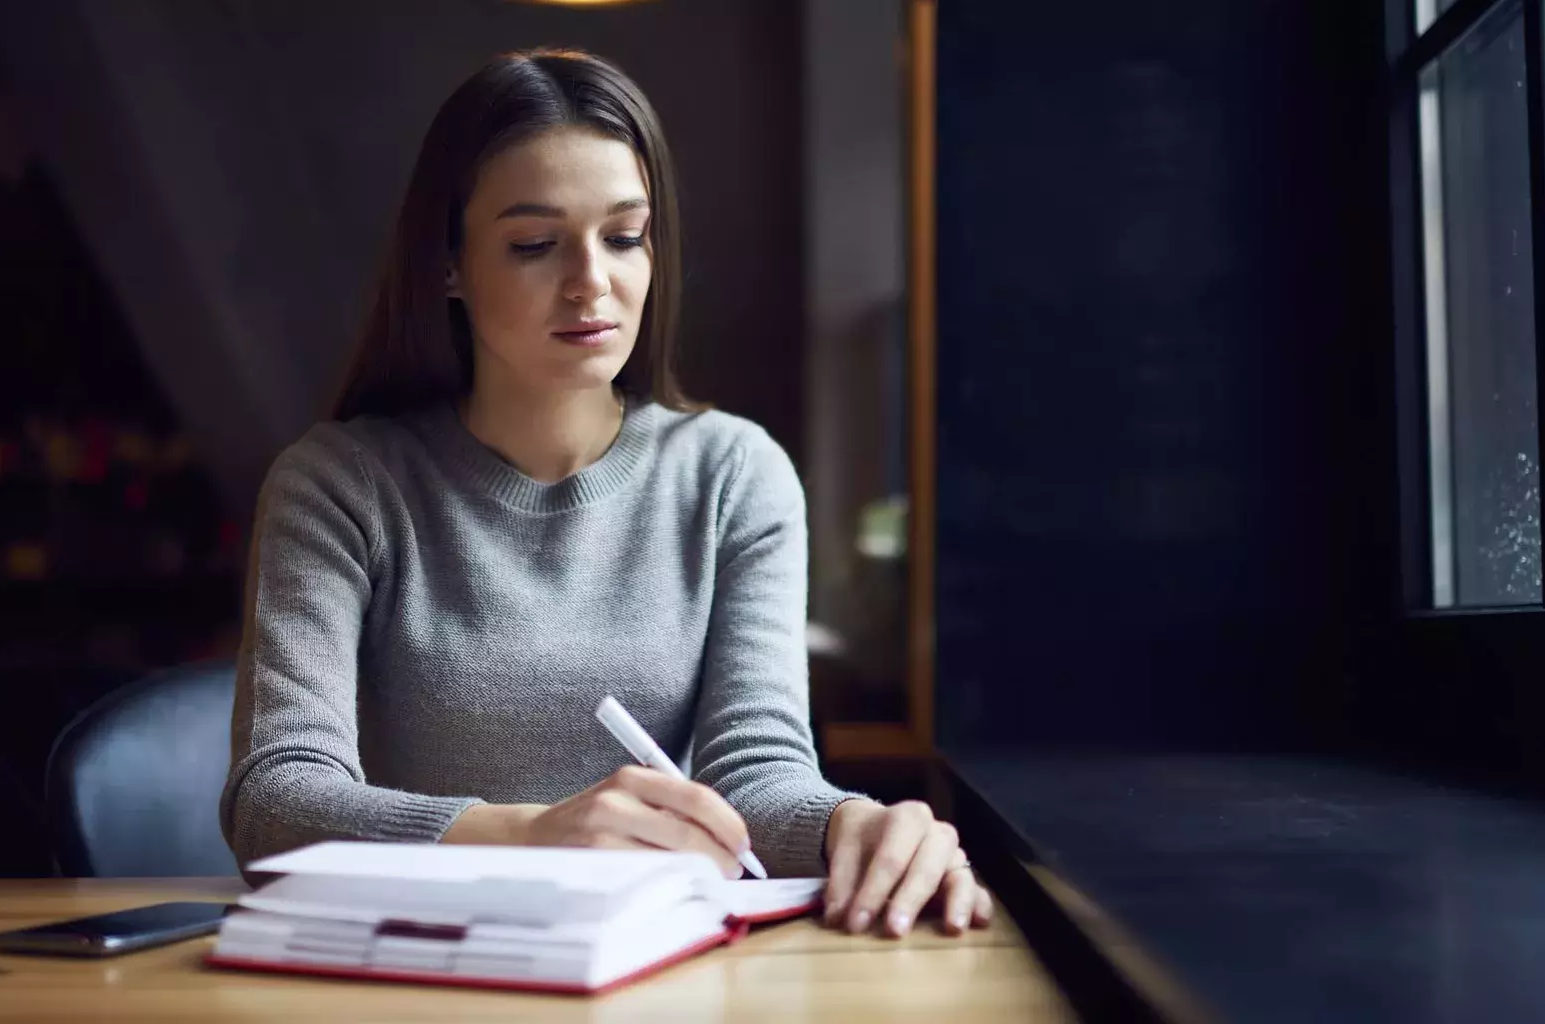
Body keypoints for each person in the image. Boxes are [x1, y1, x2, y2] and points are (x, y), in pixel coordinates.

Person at [220, 48, 989, 939]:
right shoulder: (340, 485)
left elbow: (759, 773)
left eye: (625, 236)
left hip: (660, 971)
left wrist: (851, 825)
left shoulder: (733, 474)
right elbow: (275, 803)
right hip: (428, 972)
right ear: (448, 266)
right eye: (535, 245)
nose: (594, 283)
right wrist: (532, 836)